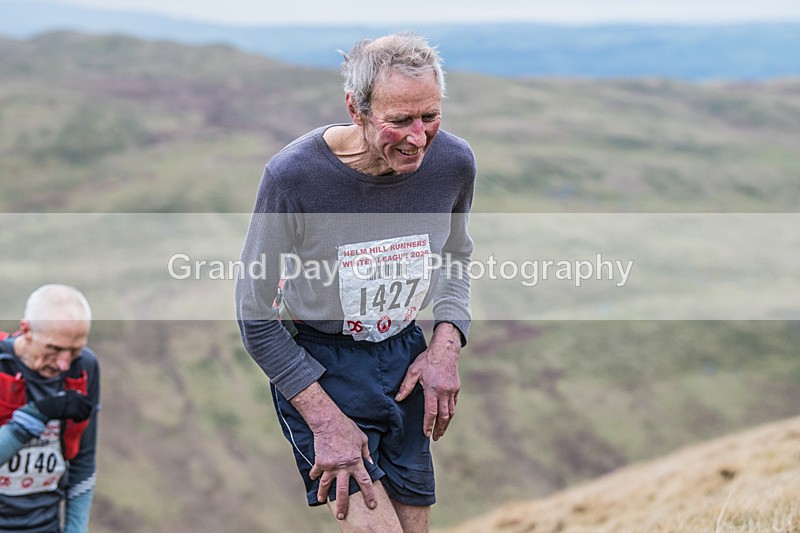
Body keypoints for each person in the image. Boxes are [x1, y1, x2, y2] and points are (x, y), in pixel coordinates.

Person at [236, 31, 475, 532]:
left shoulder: (454, 163)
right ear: (356, 108)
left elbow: (455, 256)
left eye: (429, 116)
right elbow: (254, 313)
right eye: (399, 121)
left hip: (405, 359)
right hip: (323, 367)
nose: (417, 138)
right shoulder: (293, 177)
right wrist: (323, 420)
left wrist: (444, 347)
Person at [0, 284, 100, 533]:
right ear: (27, 330)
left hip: (45, 526)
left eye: (74, 351)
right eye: (53, 349)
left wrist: (76, 529)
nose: (64, 364)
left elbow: (83, 462)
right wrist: (38, 414)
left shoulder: (85, 368)